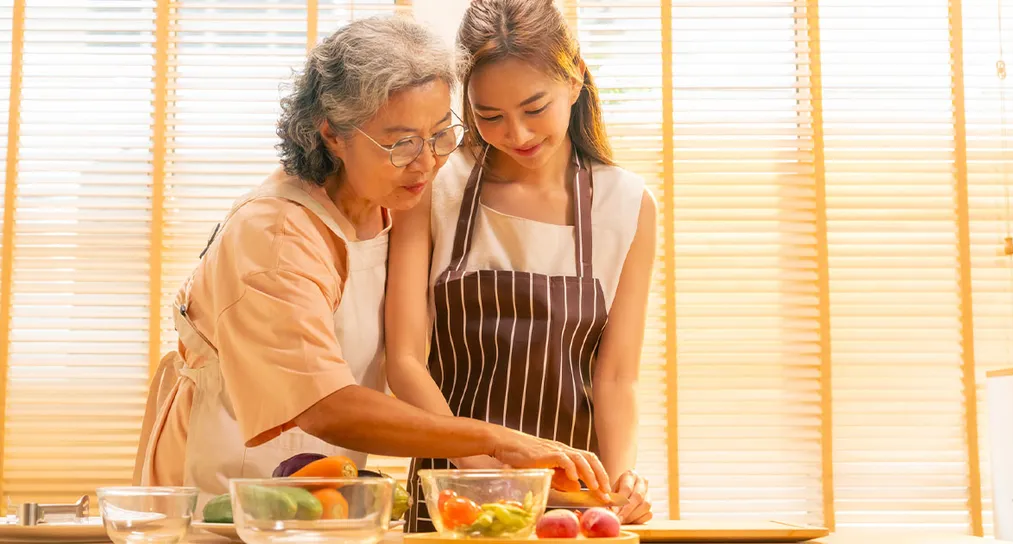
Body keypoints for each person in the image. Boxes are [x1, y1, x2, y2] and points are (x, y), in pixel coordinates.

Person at [132, 14, 610, 512]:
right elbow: (324, 405)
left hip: (318, 496)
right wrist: (492, 440)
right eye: (401, 143)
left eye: (440, 134)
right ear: (332, 135)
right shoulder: (274, 234)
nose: (426, 162)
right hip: (225, 492)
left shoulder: (389, 209)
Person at [386, 0, 657, 530]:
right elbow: (404, 362)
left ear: (575, 78)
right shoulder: (433, 188)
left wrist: (619, 485)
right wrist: (480, 470)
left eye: (535, 109)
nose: (518, 135)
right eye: (490, 116)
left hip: (575, 497)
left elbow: (616, 376)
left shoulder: (626, 204)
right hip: (453, 493)